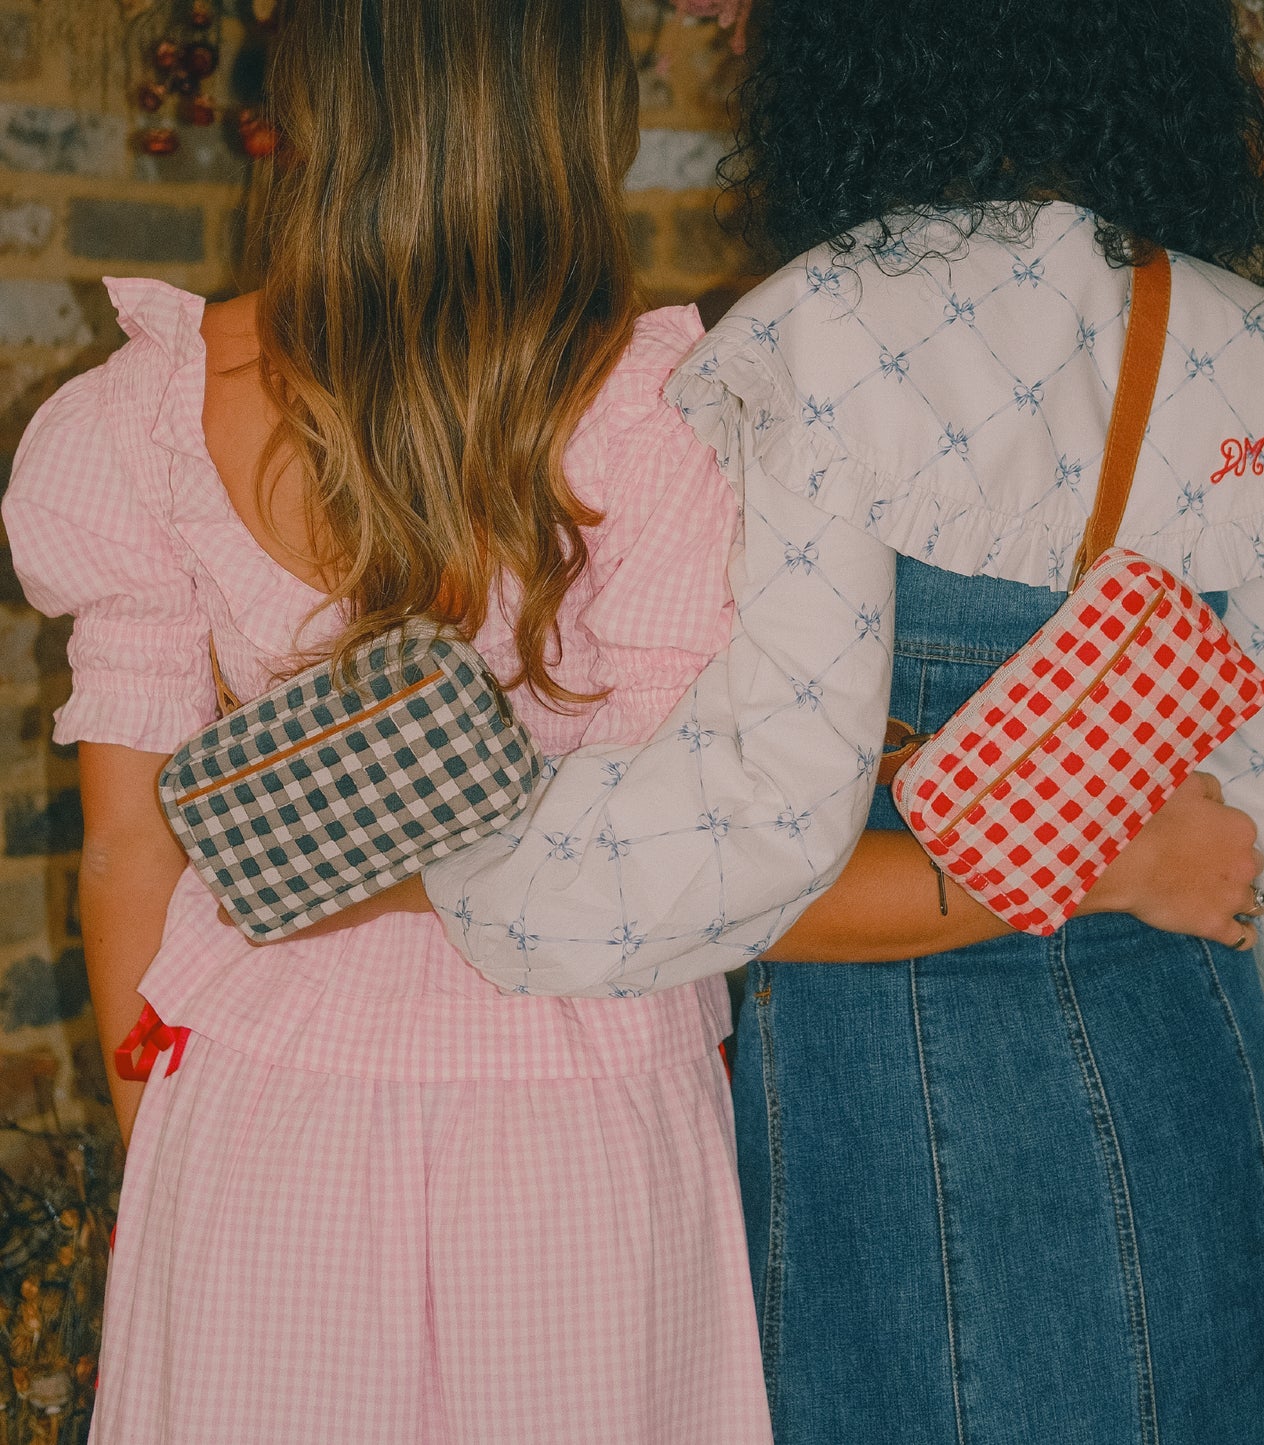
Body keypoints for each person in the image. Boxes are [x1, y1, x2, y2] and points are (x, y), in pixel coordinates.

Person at [414, 2, 1264, 1442]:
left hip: (905, 1043)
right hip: (1178, 1037)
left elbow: (778, 798)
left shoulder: (829, 328)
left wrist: (489, 868)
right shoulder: (1240, 348)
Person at [4, 3, 780, 1440]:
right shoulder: (654, 421)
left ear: (314, 111)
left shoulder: (147, 418)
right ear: (563, 122)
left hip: (260, 1099)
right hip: (582, 1100)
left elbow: (128, 852)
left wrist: (157, 1135)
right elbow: (672, 844)